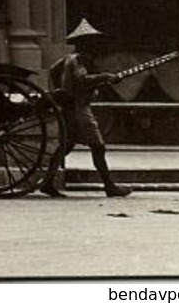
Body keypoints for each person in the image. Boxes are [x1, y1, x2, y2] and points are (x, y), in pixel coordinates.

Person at [42, 18, 131, 198]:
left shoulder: (68, 58)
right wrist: (104, 77)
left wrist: (58, 90)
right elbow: (82, 79)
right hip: (79, 109)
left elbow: (52, 70)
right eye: (92, 41)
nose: (96, 44)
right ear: (85, 42)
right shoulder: (80, 59)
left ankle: (47, 183)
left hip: (69, 107)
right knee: (98, 146)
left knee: (65, 147)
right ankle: (109, 186)